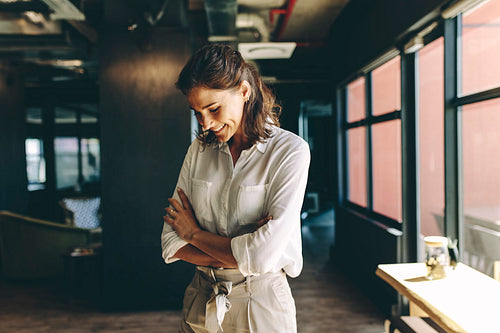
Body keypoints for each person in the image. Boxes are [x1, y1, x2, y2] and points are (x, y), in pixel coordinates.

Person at [161, 43, 310, 333]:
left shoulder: (290, 151)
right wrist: (245, 248)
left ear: (244, 92)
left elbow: (263, 256)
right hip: (201, 298)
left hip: (261, 303)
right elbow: (171, 242)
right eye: (197, 113)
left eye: (213, 108)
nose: (206, 124)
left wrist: (193, 233)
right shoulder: (199, 151)